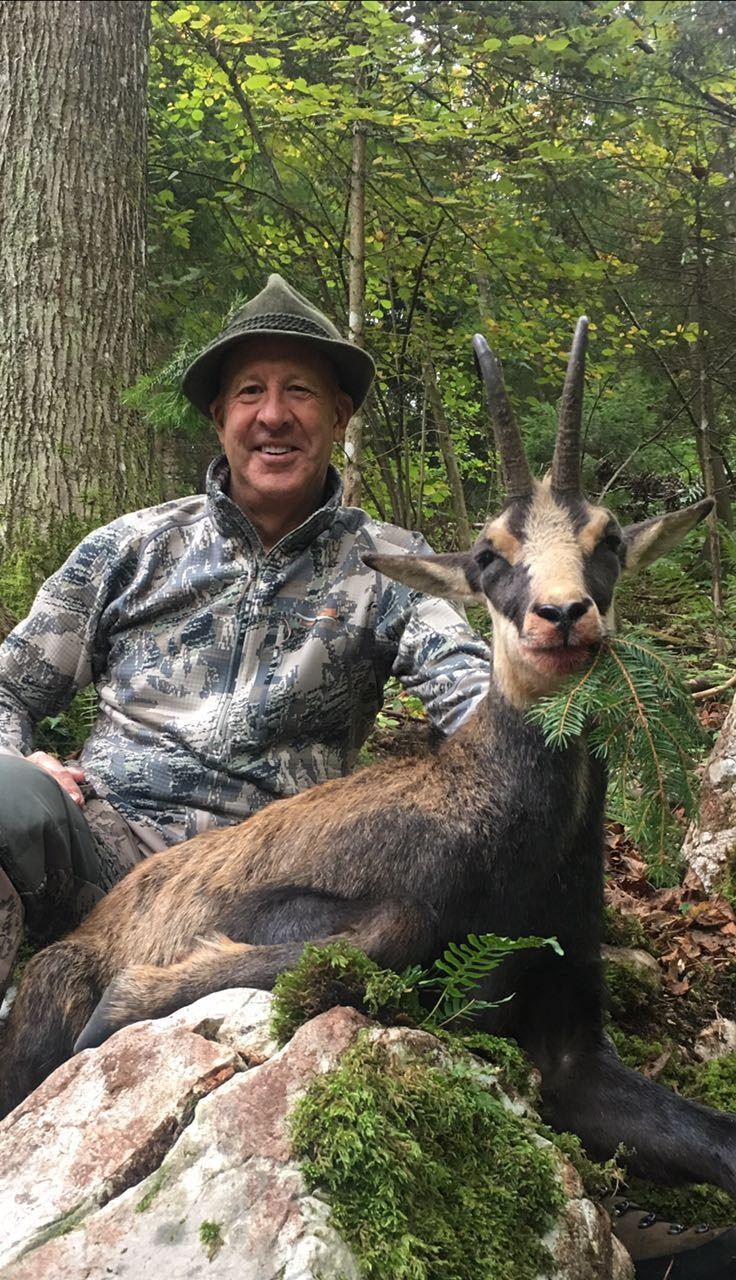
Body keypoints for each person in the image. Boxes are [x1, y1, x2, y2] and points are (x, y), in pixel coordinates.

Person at [0, 273, 490, 994]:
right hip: (106, 860)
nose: (274, 415)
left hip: (280, 887)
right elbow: (8, 687)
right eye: (251, 392)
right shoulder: (130, 549)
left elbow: (475, 698)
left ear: (339, 416)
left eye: (300, 391)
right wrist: (16, 759)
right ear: (220, 416)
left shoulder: (389, 564)